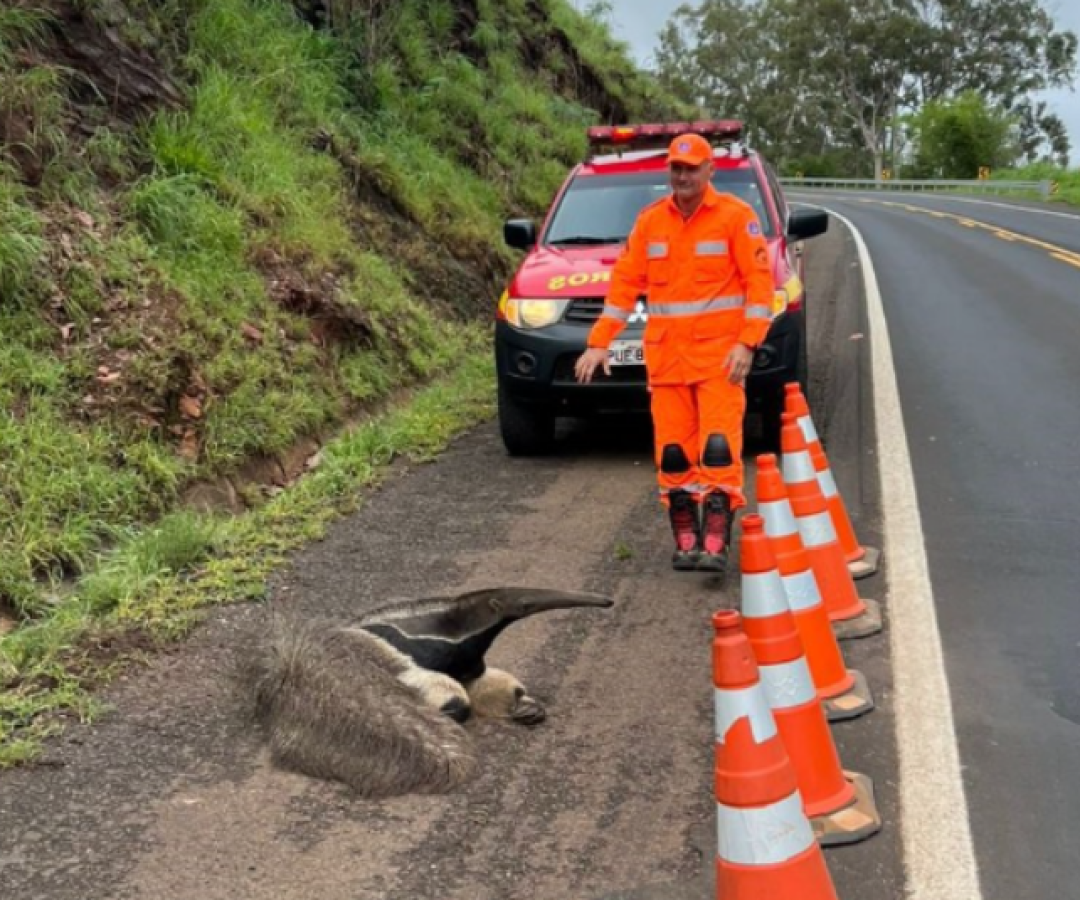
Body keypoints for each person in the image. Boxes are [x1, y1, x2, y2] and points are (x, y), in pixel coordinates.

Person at [574, 132, 773, 573]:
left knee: (719, 449)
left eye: (690, 168)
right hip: (667, 361)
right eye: (676, 168)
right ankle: (686, 537)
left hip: (720, 360)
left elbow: (760, 286)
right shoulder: (650, 223)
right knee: (673, 454)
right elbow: (624, 285)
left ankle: (716, 540)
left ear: (709, 170)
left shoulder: (736, 217)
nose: (682, 176)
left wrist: (747, 342)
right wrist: (600, 342)